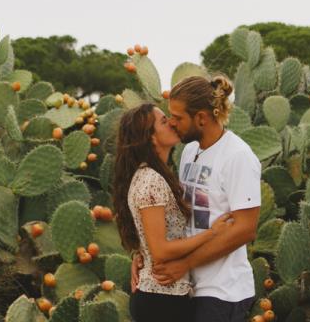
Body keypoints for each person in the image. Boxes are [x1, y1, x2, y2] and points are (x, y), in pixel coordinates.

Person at [136, 75, 263, 322]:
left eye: (178, 117)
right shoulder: (189, 151)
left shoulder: (238, 156)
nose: (172, 123)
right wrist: (142, 253)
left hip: (223, 291)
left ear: (201, 118)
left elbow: (245, 230)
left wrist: (185, 264)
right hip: (188, 286)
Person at [111, 102, 235, 322]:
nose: (171, 123)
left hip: (163, 296)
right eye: (163, 121)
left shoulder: (154, 176)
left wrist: (141, 254)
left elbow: (153, 241)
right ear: (150, 137)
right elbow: (160, 250)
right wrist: (212, 233)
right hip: (161, 301)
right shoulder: (151, 180)